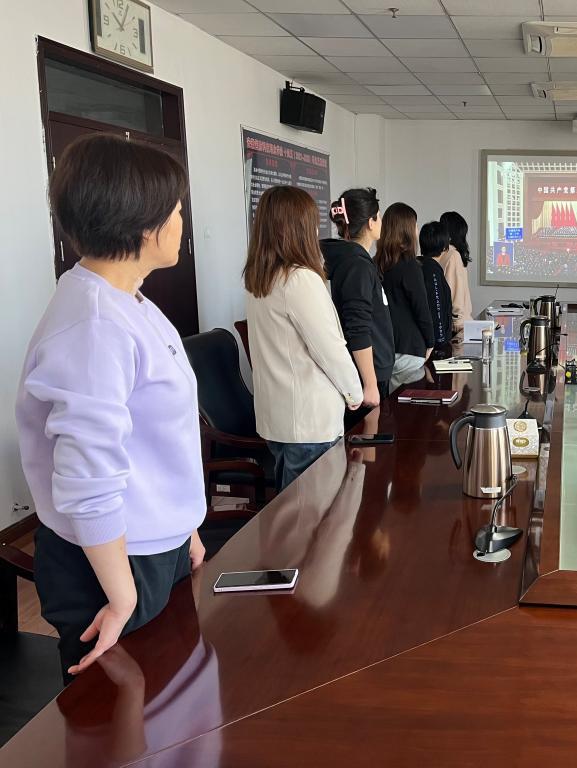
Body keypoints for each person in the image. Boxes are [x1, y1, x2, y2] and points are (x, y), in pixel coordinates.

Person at [15, 134, 206, 681]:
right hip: (113, 563)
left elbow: (155, 440)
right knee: (120, 716)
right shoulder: (95, 322)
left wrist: (185, 528)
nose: (182, 222)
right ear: (143, 224)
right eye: (176, 210)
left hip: (151, 545)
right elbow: (87, 473)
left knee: (173, 698)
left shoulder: (129, 301)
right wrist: (122, 595)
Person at [244, 186, 362, 490]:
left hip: (278, 418)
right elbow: (330, 349)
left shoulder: (259, 278)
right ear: (299, 228)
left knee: (291, 509)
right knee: (310, 514)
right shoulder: (300, 279)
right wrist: (354, 393)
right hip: (310, 421)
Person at [321, 188, 395, 428]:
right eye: (379, 216)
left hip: (368, 371)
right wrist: (370, 384)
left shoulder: (354, 260)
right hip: (365, 376)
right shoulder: (356, 265)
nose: (381, 222)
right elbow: (358, 327)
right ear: (371, 222)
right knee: (367, 445)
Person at [377, 202, 434, 389]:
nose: (417, 230)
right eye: (415, 225)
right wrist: (430, 342)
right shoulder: (410, 266)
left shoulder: (375, 264)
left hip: (383, 349)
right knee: (409, 404)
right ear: (408, 230)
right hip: (410, 349)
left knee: (389, 403)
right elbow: (421, 309)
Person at [419, 221, 454, 350]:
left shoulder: (419, 264)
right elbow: (436, 306)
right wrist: (441, 341)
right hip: (434, 346)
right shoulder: (432, 270)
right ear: (444, 246)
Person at [439, 211, 474, 337]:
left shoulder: (444, 253)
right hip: (459, 326)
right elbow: (455, 291)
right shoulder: (453, 255)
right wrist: (457, 321)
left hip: (452, 323)